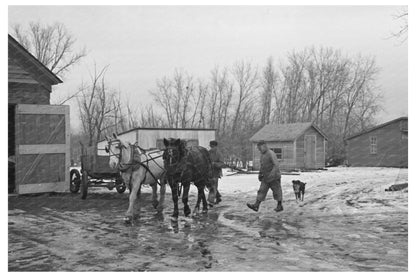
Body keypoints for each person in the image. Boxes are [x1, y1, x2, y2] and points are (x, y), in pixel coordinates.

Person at [247, 140, 283, 212]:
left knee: (277, 191)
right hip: (266, 177)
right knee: (261, 191)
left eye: (259, 148)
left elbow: (276, 165)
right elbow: (262, 166)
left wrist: (272, 175)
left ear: (264, 146)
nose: (259, 150)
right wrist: (260, 174)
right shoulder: (262, 155)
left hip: (274, 177)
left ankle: (279, 205)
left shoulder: (271, 153)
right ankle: (256, 205)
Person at [208, 140, 225, 205]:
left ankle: (211, 201)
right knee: (209, 186)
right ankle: (217, 196)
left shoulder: (218, 153)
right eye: (210, 146)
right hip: (208, 172)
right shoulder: (208, 152)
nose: (211, 147)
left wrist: (214, 164)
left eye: (212, 146)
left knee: (213, 186)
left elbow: (222, 163)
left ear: (214, 146)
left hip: (215, 172)